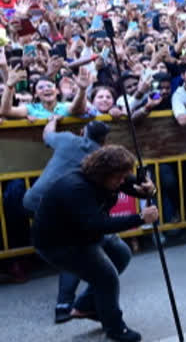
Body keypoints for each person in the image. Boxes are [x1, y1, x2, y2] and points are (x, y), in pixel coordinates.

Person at [32, 145, 158, 342]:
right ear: (103, 174)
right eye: (120, 177)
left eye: (125, 176)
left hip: (83, 233)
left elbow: (140, 188)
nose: (123, 181)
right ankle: (115, 329)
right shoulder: (76, 187)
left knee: (121, 254)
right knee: (106, 277)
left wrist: (150, 189)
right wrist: (141, 218)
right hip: (59, 242)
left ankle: (86, 305)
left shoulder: (112, 178)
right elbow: (97, 224)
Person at [22, 117, 111, 324]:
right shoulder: (101, 157)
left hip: (31, 201)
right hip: (54, 208)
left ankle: (76, 302)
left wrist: (52, 120)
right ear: (105, 140)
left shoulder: (67, 139)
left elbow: (47, 134)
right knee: (77, 247)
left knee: (72, 246)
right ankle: (65, 306)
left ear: (82, 132)